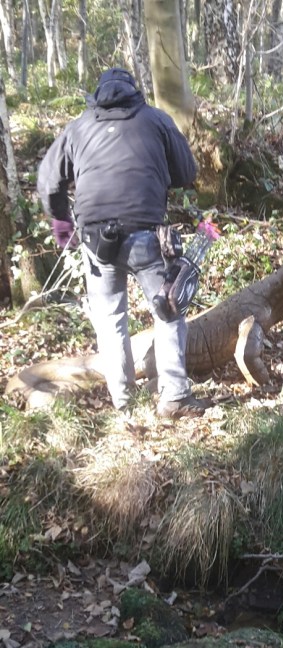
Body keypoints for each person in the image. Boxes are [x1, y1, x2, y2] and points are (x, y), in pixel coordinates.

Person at [37, 67, 208, 418]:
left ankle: (124, 403)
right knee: (169, 308)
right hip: (146, 234)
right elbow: (187, 172)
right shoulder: (155, 120)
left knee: (111, 318)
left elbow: (48, 180)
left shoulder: (78, 127)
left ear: (97, 95)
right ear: (135, 90)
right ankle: (174, 396)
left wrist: (61, 220)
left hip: (95, 239)